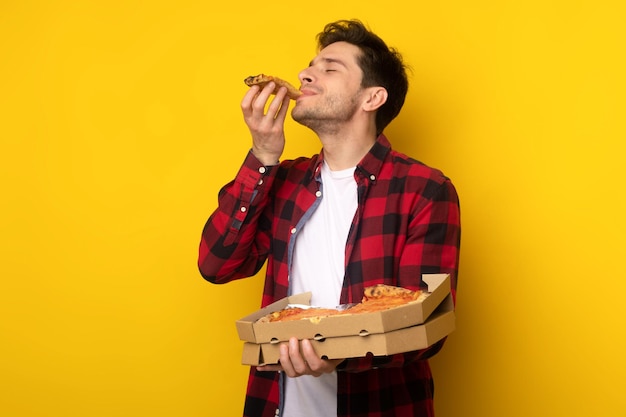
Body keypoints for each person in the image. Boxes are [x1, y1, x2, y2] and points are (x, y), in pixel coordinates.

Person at [198, 19, 461, 417]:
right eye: (309, 66)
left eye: (329, 68)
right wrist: (263, 156)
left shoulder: (424, 189)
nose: (305, 74)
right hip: (278, 406)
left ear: (371, 98)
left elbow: (426, 325)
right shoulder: (284, 180)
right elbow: (217, 264)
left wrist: (339, 354)